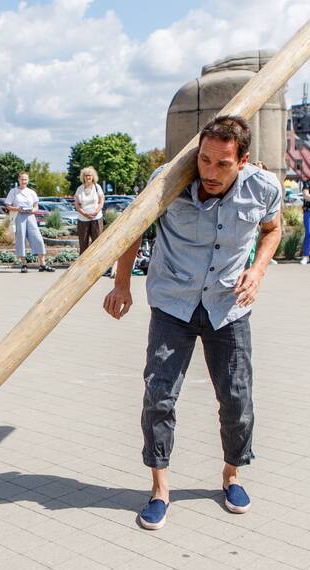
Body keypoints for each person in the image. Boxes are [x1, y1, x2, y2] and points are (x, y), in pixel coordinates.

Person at [102, 115, 282, 531]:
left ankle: (231, 476)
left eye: (223, 164)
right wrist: (123, 285)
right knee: (159, 395)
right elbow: (133, 231)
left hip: (228, 305)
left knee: (237, 400)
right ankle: (159, 489)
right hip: (173, 304)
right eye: (204, 160)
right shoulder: (167, 181)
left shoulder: (263, 188)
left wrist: (257, 272)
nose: (210, 172)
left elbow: (273, 230)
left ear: (243, 160)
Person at [5, 171, 53, 273]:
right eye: (22, 179)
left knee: (37, 238)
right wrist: (17, 209)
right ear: (18, 180)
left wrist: (34, 210)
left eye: (25, 179)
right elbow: (8, 205)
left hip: (30, 216)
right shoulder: (13, 191)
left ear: (28, 180)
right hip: (19, 216)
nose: (24, 181)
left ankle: (42, 264)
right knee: (21, 239)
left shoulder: (31, 192)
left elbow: (36, 205)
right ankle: (23, 264)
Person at [74, 166, 105, 255]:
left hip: (97, 219)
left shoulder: (97, 187)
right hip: (83, 220)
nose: (88, 177)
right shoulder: (79, 189)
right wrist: (85, 213)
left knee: (98, 243)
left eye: (90, 175)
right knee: (83, 245)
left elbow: (101, 201)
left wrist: (96, 212)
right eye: (86, 175)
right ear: (83, 177)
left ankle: (99, 264)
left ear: (93, 177)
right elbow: (77, 205)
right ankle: (82, 266)